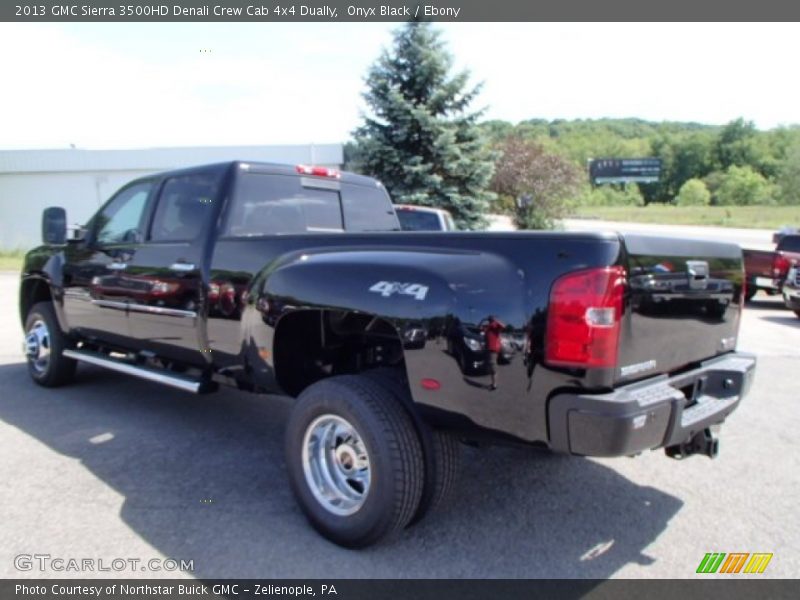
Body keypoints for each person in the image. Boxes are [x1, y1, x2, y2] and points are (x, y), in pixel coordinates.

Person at [481, 315, 505, 390]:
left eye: (491, 318)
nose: (490, 319)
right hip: (489, 349)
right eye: (490, 318)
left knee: (493, 367)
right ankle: (493, 383)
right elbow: (485, 338)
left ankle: (494, 385)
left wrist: (496, 320)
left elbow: (503, 326)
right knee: (491, 368)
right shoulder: (488, 328)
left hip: (493, 349)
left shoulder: (495, 326)